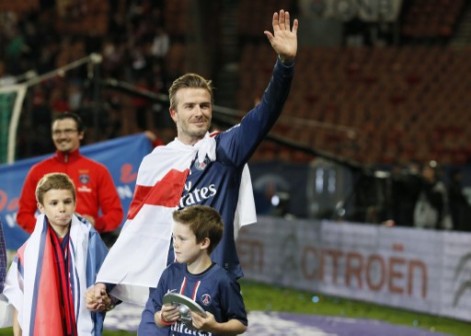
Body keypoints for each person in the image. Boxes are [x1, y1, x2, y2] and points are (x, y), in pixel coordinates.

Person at [87, 8, 298, 328]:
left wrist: (284, 66)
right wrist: (110, 287)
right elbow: (140, 232)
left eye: (205, 105)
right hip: (162, 292)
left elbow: (266, 113)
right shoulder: (154, 162)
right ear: (174, 113)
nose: (199, 112)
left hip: (211, 287)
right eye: (190, 106)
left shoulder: (225, 150)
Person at [3, 173, 109, 335]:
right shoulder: (28, 252)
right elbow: (20, 299)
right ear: (41, 207)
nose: (61, 208)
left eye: (67, 202)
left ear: (75, 203)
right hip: (44, 326)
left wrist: (102, 297)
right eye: (54, 203)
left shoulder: (89, 240)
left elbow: (108, 278)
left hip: (79, 324)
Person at [16, 112, 124, 241]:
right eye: (57, 132)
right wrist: (47, 228)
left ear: (80, 134)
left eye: (68, 131)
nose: (62, 136)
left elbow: (115, 214)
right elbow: (23, 215)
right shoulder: (37, 171)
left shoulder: (98, 170)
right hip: (49, 246)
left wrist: (95, 223)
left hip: (87, 243)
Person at [150, 205, 247, 335]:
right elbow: (157, 317)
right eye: (174, 237)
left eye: (182, 239)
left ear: (203, 243)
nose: (175, 244)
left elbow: (240, 324)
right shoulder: (170, 273)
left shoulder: (223, 280)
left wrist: (215, 327)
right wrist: (163, 317)